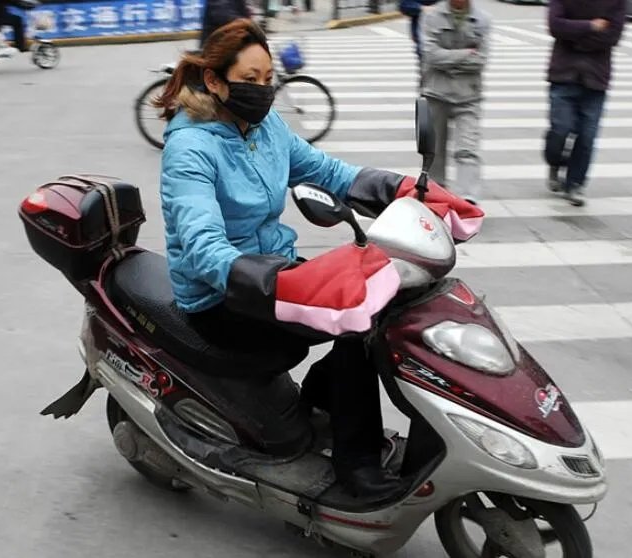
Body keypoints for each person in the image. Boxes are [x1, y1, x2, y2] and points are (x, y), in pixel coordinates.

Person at [153, 19, 483, 498]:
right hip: (220, 297)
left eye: (268, 79)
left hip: (273, 273)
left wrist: (402, 190)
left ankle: (319, 408)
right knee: (355, 327)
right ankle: (357, 465)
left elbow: (326, 172)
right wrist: (281, 281)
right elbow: (204, 247)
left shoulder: (266, 128)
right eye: (250, 80)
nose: (263, 90)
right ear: (214, 80)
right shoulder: (190, 150)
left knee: (385, 303)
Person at [544, 0, 626, 207]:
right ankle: (555, 161)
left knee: (587, 137)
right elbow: (555, 25)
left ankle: (575, 184)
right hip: (564, 74)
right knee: (560, 129)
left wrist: (575, 38)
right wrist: (590, 26)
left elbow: (613, 34)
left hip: (596, 78)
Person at [419, 0, 490, 205]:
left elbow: (481, 59)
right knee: (435, 152)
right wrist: (465, 54)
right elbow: (431, 56)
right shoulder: (431, 17)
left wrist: (448, 60)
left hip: (469, 95)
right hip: (436, 92)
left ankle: (468, 199)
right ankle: (436, 196)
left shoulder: (482, 20)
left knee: (467, 149)